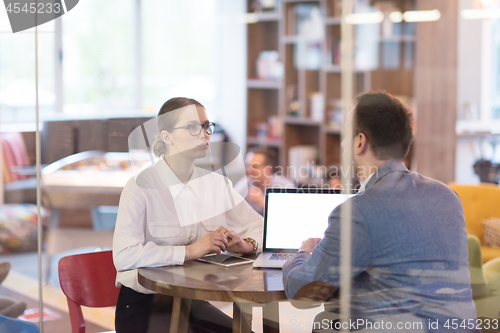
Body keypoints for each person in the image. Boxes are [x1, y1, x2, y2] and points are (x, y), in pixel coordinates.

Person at [283, 92, 477, 332]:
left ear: (359, 142)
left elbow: (303, 292)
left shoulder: (357, 212)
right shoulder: (447, 196)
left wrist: (302, 253)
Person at [113, 97, 263, 333]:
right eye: (193, 127)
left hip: (191, 301)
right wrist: (191, 250)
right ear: (166, 136)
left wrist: (247, 245)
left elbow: (262, 228)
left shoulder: (216, 184)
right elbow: (124, 256)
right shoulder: (140, 187)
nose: (204, 134)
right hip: (145, 305)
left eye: (206, 126)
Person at [234, 147, 295, 215]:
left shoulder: (284, 186)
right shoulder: (245, 184)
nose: (249, 170)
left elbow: (289, 215)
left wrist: (263, 202)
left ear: (268, 169)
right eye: (247, 166)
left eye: (255, 166)